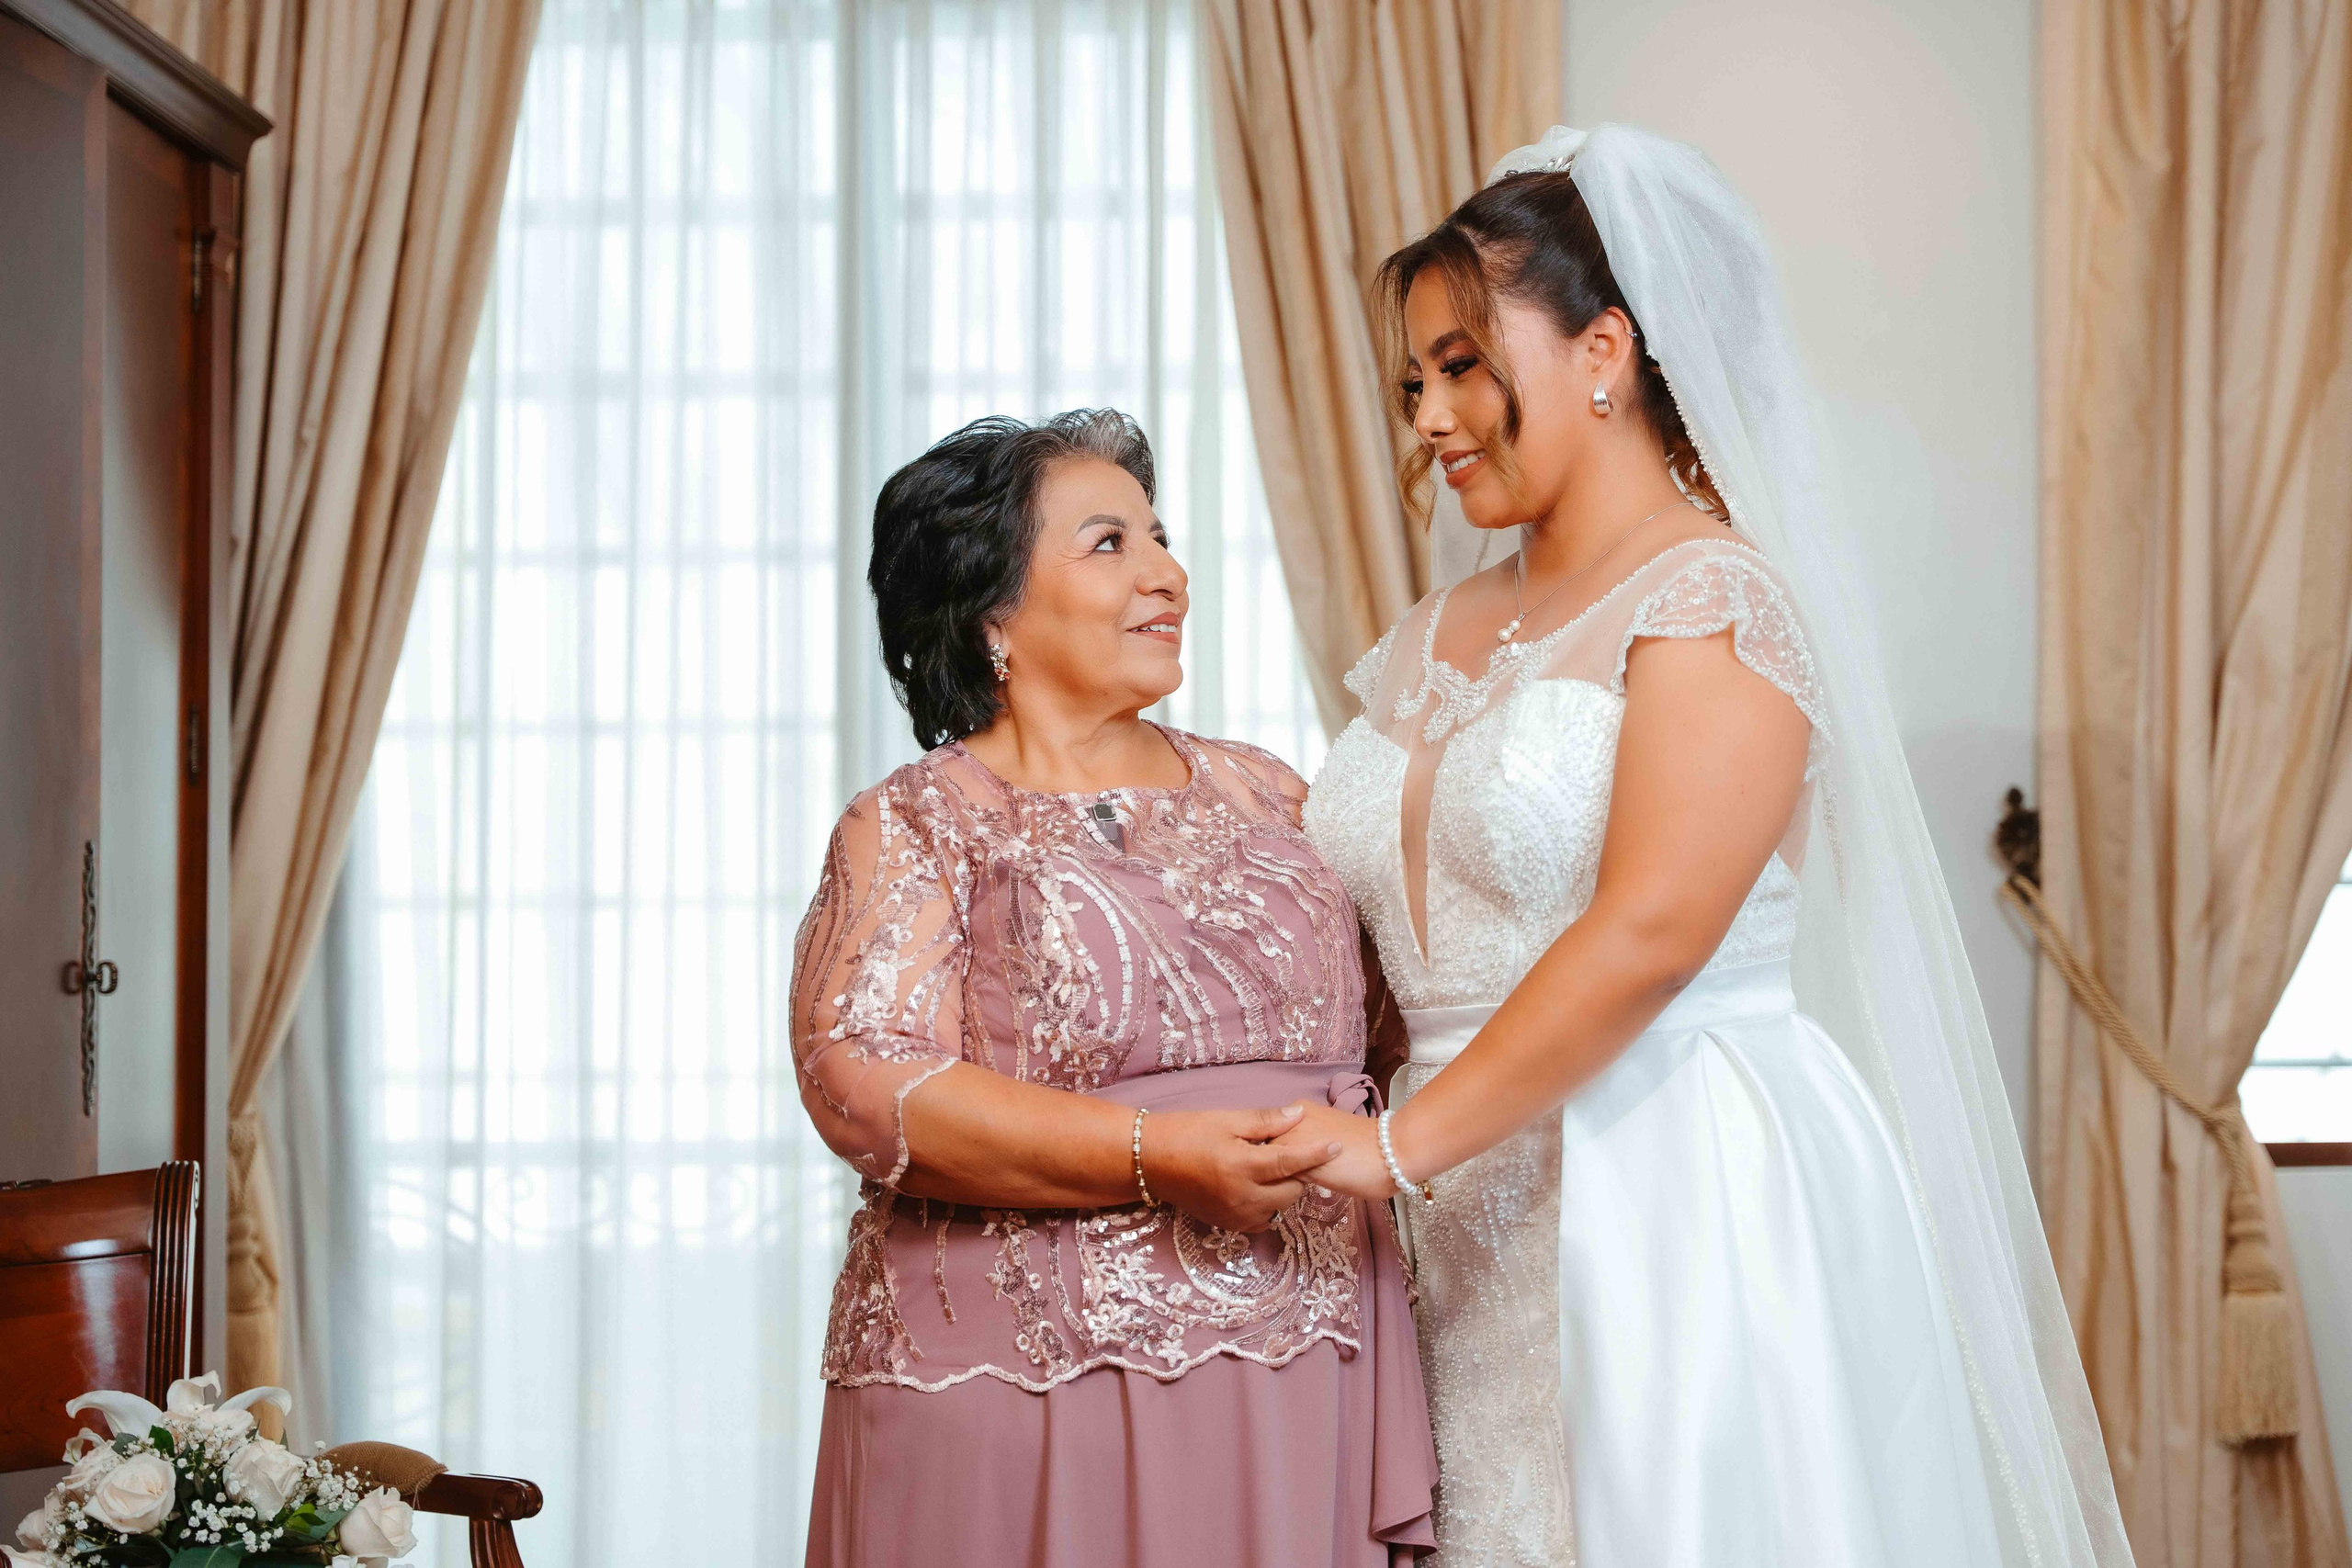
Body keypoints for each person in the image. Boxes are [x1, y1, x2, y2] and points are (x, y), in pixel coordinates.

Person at [1291, 126, 2136, 1567]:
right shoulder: (1425, 635)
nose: (1428, 416)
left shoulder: (1714, 597)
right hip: (1430, 1223)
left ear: (1605, 350)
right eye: (1412, 382)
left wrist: (1396, 1143)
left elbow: (1650, 931)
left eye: (1465, 366)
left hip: (1660, 1185)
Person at [792, 409, 1435, 1567]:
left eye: (1162, 538)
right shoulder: (918, 822)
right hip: (1024, 1390)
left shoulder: (1270, 793)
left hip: (1309, 1362)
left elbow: (1403, 1017)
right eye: (1110, 544)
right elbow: (861, 1082)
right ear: (993, 611)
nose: (1168, 575)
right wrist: (1157, 1154)